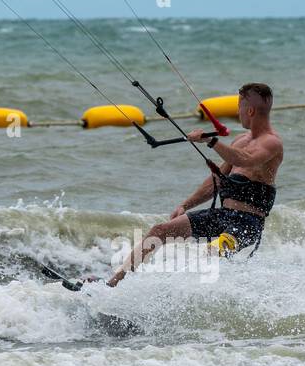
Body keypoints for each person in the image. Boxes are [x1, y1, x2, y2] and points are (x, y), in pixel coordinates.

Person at [106, 83, 284, 287]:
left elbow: (245, 159)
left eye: (239, 107)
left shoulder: (272, 143)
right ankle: (113, 284)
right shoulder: (240, 140)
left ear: (250, 110)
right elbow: (216, 180)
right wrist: (185, 205)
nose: (238, 112)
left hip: (245, 225)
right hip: (222, 215)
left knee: (210, 251)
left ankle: (178, 298)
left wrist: (212, 142)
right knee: (160, 230)